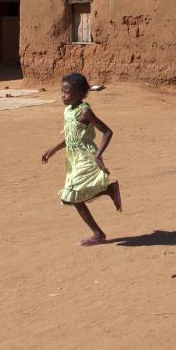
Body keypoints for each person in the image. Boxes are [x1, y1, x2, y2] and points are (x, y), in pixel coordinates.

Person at [41, 73, 122, 246]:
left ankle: (98, 233)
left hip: (87, 157)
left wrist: (98, 154)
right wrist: (53, 149)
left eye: (66, 92)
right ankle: (109, 192)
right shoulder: (67, 111)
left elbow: (107, 132)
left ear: (79, 93)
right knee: (73, 197)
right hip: (73, 159)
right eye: (61, 92)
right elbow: (71, 138)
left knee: (72, 197)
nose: (63, 95)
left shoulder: (85, 112)